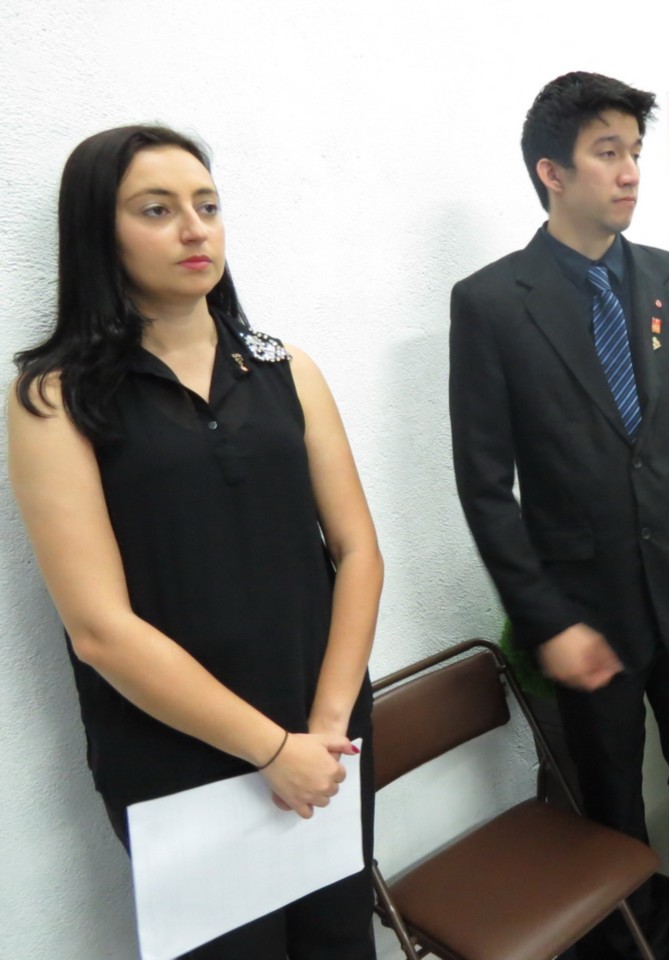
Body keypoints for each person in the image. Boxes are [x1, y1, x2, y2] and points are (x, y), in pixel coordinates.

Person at [7, 126, 382, 957]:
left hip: (323, 730)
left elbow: (358, 552)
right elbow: (99, 630)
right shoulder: (55, 399)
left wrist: (325, 726)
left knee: (340, 943)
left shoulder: (287, 369)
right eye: (157, 210)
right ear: (98, 232)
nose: (193, 229)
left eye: (207, 206)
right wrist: (271, 749)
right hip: (178, 755)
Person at [449, 72, 669, 960]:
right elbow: (485, 487)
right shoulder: (491, 303)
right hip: (588, 615)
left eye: (634, 151)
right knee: (611, 802)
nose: (631, 171)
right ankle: (633, 944)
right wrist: (545, 621)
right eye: (607, 152)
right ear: (551, 172)